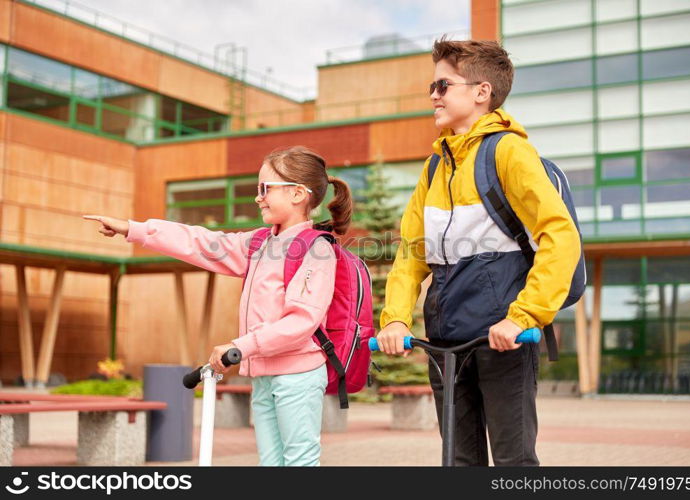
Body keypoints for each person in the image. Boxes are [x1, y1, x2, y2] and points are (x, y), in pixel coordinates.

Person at [375, 39, 581, 466]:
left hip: (503, 339)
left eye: (443, 85)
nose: (433, 94)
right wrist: (395, 317)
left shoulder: (508, 151)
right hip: (446, 344)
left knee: (513, 463)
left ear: (481, 92)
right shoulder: (435, 167)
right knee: (459, 463)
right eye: (433, 86)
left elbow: (559, 237)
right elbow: (411, 255)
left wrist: (522, 317)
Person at [84, 146, 352, 466]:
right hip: (264, 375)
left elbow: (300, 322)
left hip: (297, 376)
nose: (258, 197)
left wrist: (241, 345)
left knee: (300, 462)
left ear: (297, 194)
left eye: (265, 189)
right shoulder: (259, 243)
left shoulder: (316, 248)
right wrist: (135, 229)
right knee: (271, 463)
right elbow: (199, 242)